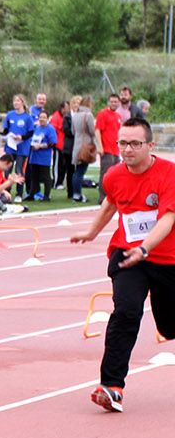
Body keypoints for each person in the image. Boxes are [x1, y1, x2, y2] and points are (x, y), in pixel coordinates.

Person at [69, 117, 175, 413]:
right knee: (126, 312)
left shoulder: (169, 174)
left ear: (150, 145)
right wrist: (92, 232)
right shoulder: (114, 175)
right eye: (122, 143)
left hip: (167, 259)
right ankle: (112, 386)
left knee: (169, 326)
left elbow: (168, 217)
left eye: (135, 144)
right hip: (128, 256)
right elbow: (111, 203)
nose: (127, 150)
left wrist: (146, 247)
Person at [24, 104, 58, 202]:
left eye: (44, 117)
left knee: (45, 176)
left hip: (44, 157)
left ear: (47, 118)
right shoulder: (37, 128)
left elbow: (52, 143)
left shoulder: (50, 129)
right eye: (40, 117)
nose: (42, 119)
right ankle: (32, 193)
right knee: (33, 176)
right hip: (34, 156)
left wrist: (41, 146)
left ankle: (47, 195)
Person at [69, 95, 96, 203]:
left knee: (77, 171)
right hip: (86, 145)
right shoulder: (88, 115)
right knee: (81, 171)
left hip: (77, 144)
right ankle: (78, 194)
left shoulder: (75, 115)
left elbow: (73, 131)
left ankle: (75, 193)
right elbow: (93, 131)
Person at [96, 91, 124, 193]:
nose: (114, 103)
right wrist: (100, 146)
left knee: (115, 174)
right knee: (105, 173)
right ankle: (102, 197)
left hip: (116, 150)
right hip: (107, 149)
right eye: (112, 101)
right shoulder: (103, 114)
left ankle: (111, 195)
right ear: (108, 102)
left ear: (119, 103)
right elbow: (98, 130)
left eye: (116, 102)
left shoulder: (118, 116)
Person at [2, 93, 34, 178]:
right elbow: (6, 130)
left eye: (18, 101)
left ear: (22, 103)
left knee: (18, 170)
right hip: (10, 147)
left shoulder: (27, 117)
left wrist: (22, 137)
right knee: (7, 168)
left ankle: (19, 191)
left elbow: (31, 132)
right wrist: (6, 136)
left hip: (22, 147)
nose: (15, 103)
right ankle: (5, 190)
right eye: (14, 101)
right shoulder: (10, 115)